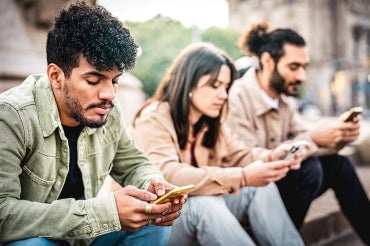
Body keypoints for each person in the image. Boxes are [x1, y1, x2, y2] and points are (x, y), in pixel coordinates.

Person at [0, 2, 186, 245]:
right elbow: (3, 213)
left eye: (115, 81)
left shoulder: (107, 111)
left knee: (152, 225)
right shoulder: (12, 116)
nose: (109, 94)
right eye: (94, 80)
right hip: (38, 238)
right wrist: (104, 212)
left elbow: (135, 164)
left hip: (85, 238)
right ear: (56, 76)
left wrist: (153, 186)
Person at [129, 42, 304, 245]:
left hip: (191, 214)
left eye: (225, 86)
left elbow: (240, 154)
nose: (223, 94)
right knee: (205, 204)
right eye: (214, 86)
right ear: (188, 82)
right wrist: (242, 177)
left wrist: (270, 157)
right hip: (154, 224)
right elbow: (168, 174)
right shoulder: (154, 117)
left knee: (260, 187)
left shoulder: (211, 121)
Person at [226, 22, 370, 244]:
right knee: (309, 170)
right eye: (294, 67)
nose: (302, 76)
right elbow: (247, 159)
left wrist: (338, 138)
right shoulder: (236, 99)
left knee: (338, 165)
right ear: (266, 61)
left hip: (278, 184)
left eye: (304, 67)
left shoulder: (284, 101)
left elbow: (304, 137)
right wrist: (313, 137)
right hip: (248, 191)